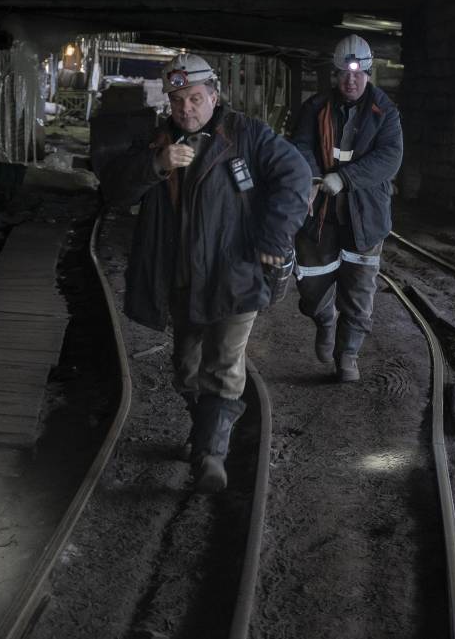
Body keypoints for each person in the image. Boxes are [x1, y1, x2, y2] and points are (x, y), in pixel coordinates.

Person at [101, 52, 309, 492]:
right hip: (181, 280)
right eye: (177, 101)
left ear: (214, 96)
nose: (186, 109)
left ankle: (211, 456)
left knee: (224, 364)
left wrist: (274, 238)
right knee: (187, 367)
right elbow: (115, 192)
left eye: (195, 98)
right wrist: (157, 166)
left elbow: (295, 175)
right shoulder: (156, 141)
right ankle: (204, 435)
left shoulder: (247, 135)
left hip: (235, 275)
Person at [292, 34, 403, 382]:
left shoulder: (385, 112)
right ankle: (324, 318)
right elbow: (300, 145)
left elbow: (390, 157)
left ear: (368, 73)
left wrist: (345, 178)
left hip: (365, 217)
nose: (350, 80)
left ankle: (348, 355)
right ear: (335, 74)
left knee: (359, 290)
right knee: (310, 287)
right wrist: (314, 178)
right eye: (344, 73)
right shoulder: (315, 108)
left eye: (357, 74)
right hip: (320, 216)